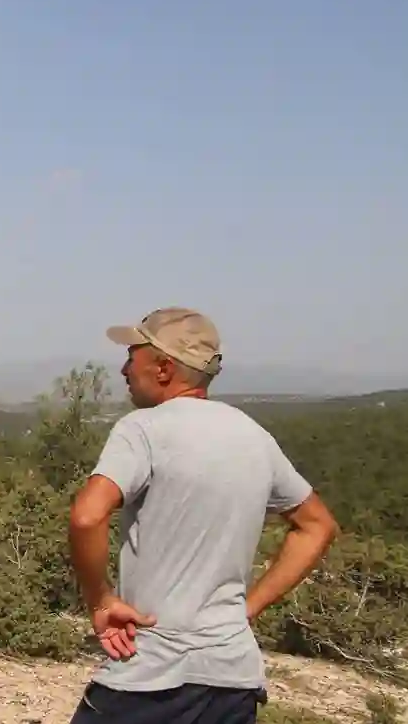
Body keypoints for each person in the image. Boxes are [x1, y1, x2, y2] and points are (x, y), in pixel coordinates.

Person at [67, 307, 340, 724]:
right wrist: (246, 610)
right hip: (233, 676)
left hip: (151, 673)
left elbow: (87, 516)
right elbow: (317, 526)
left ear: (162, 367)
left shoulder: (142, 429)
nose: (124, 368)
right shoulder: (254, 437)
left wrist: (101, 599)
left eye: (133, 354)